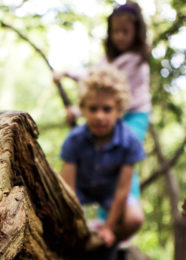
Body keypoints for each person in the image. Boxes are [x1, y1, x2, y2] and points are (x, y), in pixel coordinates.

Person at [54, 1, 151, 201]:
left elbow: (110, 95)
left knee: (124, 156)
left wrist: (79, 113)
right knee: (103, 163)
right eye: (116, 32)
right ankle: (104, 218)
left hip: (134, 114)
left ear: (136, 32)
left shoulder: (135, 60)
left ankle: (127, 206)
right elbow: (93, 75)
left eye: (125, 31)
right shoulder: (108, 59)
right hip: (110, 111)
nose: (120, 37)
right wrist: (67, 73)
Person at [60, 64, 145, 254]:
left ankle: (105, 242)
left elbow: (123, 189)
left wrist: (109, 227)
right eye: (93, 109)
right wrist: (74, 223)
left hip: (110, 192)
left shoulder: (129, 141)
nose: (99, 116)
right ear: (82, 109)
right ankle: (76, 241)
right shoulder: (74, 140)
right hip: (80, 190)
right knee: (55, 217)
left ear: (119, 110)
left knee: (135, 218)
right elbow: (67, 190)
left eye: (107, 109)